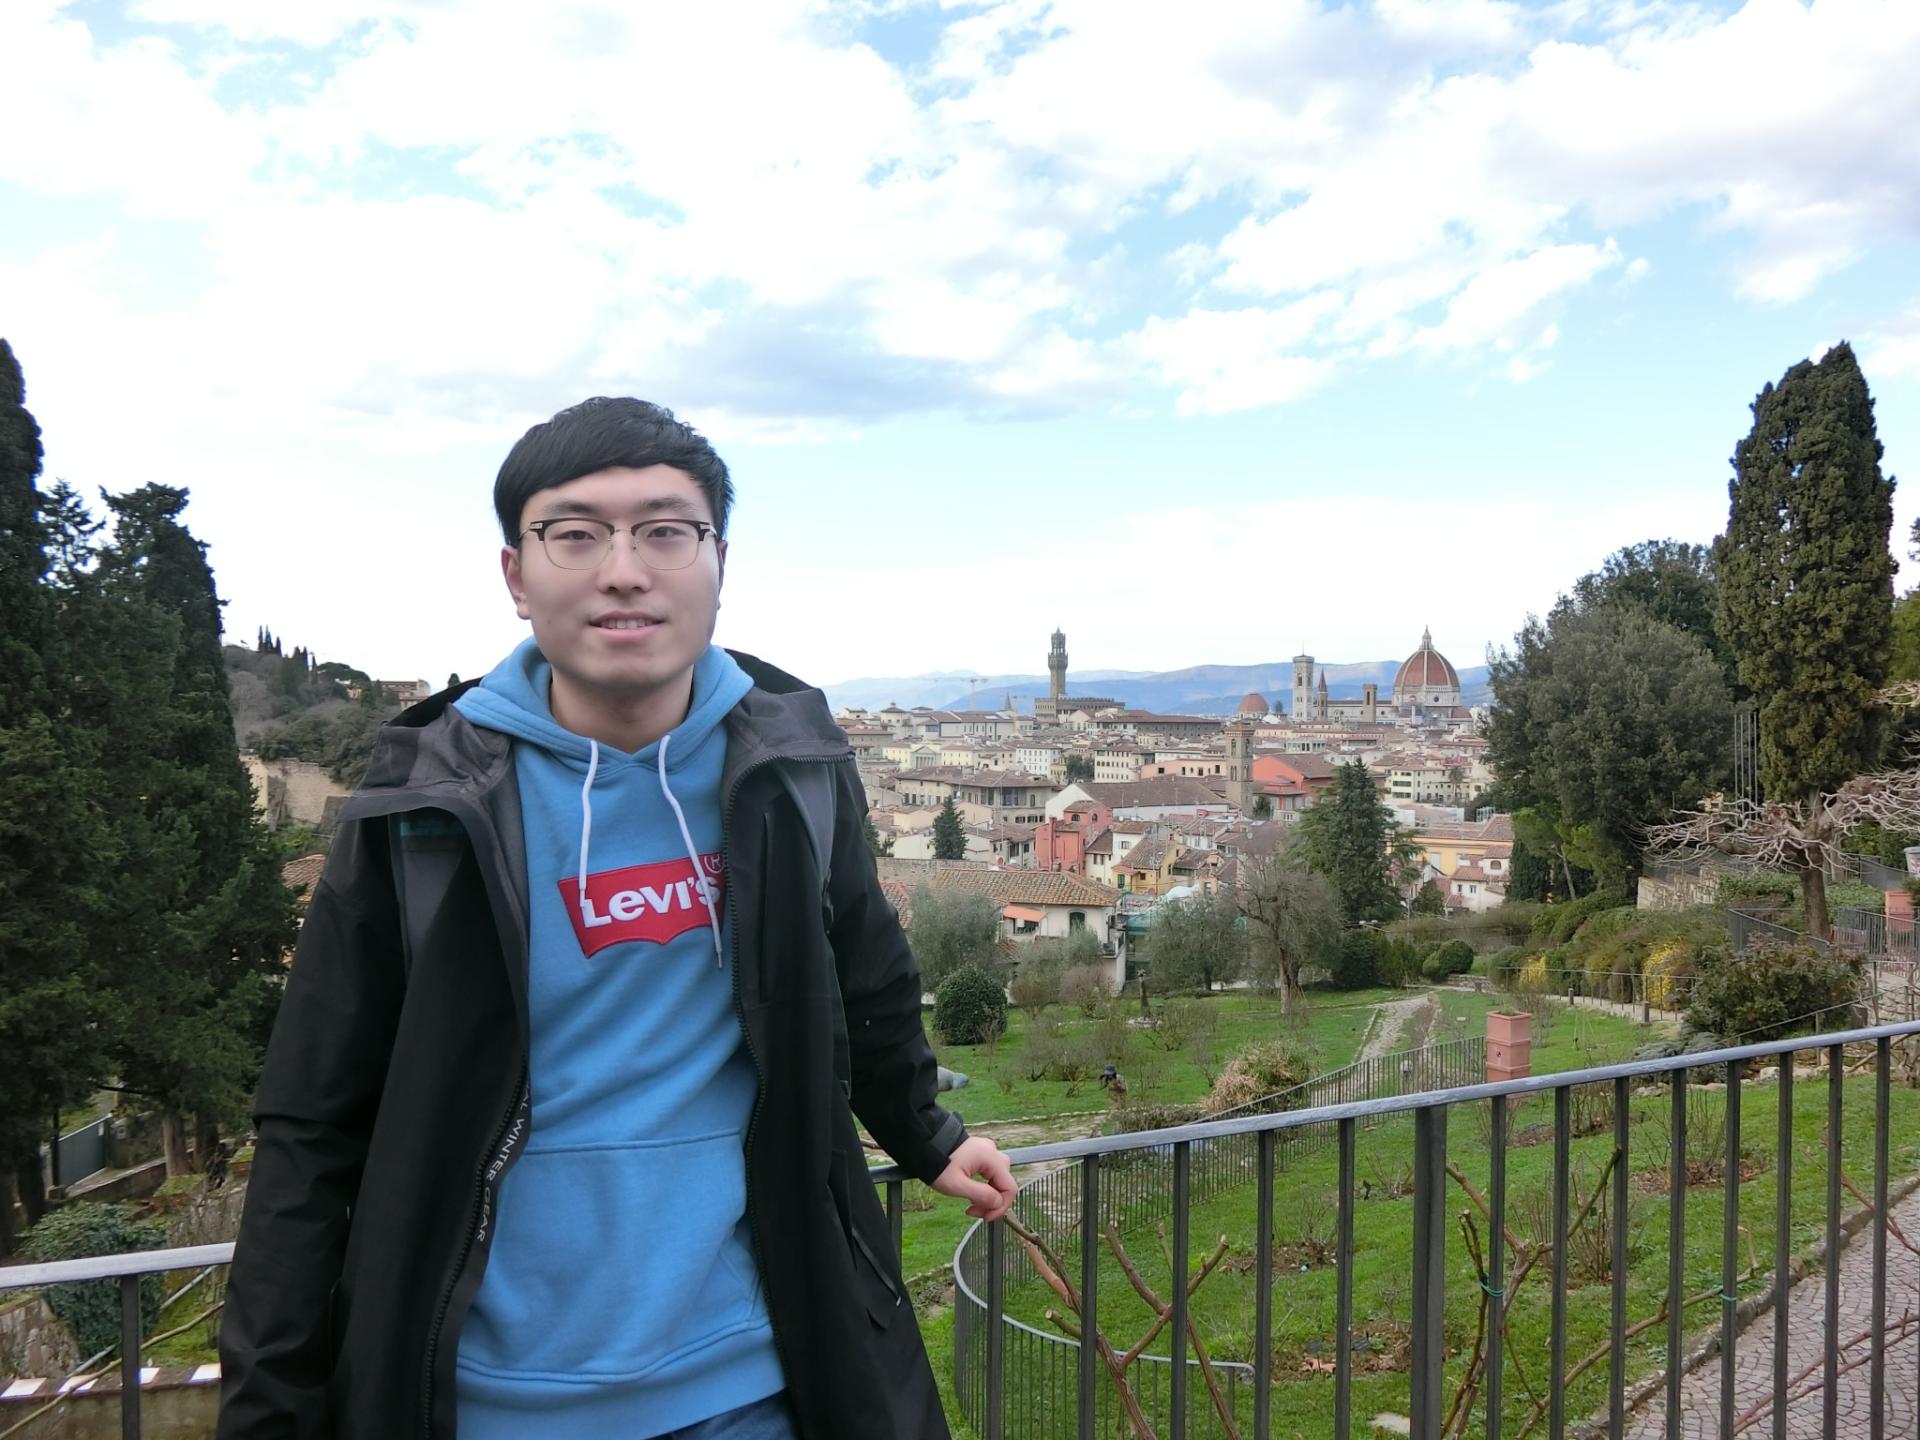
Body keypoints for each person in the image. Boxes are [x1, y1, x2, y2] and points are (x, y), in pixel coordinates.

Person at [217, 398, 1016, 1439]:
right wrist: (268, 1408)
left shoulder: (796, 771)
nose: (624, 570)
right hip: (487, 1402)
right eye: (576, 533)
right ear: (516, 576)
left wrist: (923, 1130)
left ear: (719, 563)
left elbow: (866, 972)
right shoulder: (419, 812)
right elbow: (312, 1121)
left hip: (757, 1386)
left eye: (666, 531)